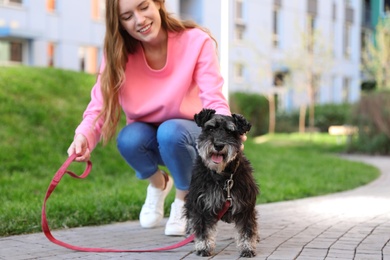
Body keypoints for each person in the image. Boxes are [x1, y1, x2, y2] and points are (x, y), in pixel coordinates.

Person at [67, 0, 233, 236]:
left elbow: (213, 98)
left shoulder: (196, 41)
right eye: (127, 16)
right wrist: (83, 134)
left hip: (188, 137)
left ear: (158, 3)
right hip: (152, 137)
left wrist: (225, 130)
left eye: (143, 6)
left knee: (170, 132)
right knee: (128, 139)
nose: (139, 20)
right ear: (120, 24)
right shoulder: (117, 54)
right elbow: (100, 105)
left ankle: (185, 199)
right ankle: (159, 183)